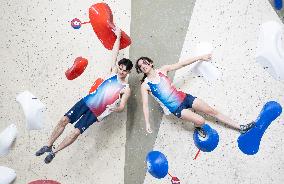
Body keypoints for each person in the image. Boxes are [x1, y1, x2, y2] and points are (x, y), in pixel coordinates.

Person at [35, 28, 133, 164]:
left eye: (124, 70)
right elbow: (114, 53)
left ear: (128, 72)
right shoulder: (113, 73)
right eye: (121, 68)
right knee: (64, 120)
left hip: (95, 113)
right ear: (119, 67)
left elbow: (121, 107)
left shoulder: (126, 88)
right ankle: (48, 145)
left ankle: (54, 152)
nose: (122, 71)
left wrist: (113, 108)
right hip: (86, 102)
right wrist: (118, 36)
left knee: (75, 133)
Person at [135, 55, 254, 136]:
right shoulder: (145, 85)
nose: (143, 66)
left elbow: (181, 64)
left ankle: (240, 127)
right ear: (141, 70)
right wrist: (147, 123)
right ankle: (197, 127)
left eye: (144, 63)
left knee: (211, 110)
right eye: (140, 66)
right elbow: (145, 105)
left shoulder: (163, 70)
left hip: (184, 97)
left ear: (151, 63)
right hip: (177, 109)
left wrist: (201, 57)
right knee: (201, 120)